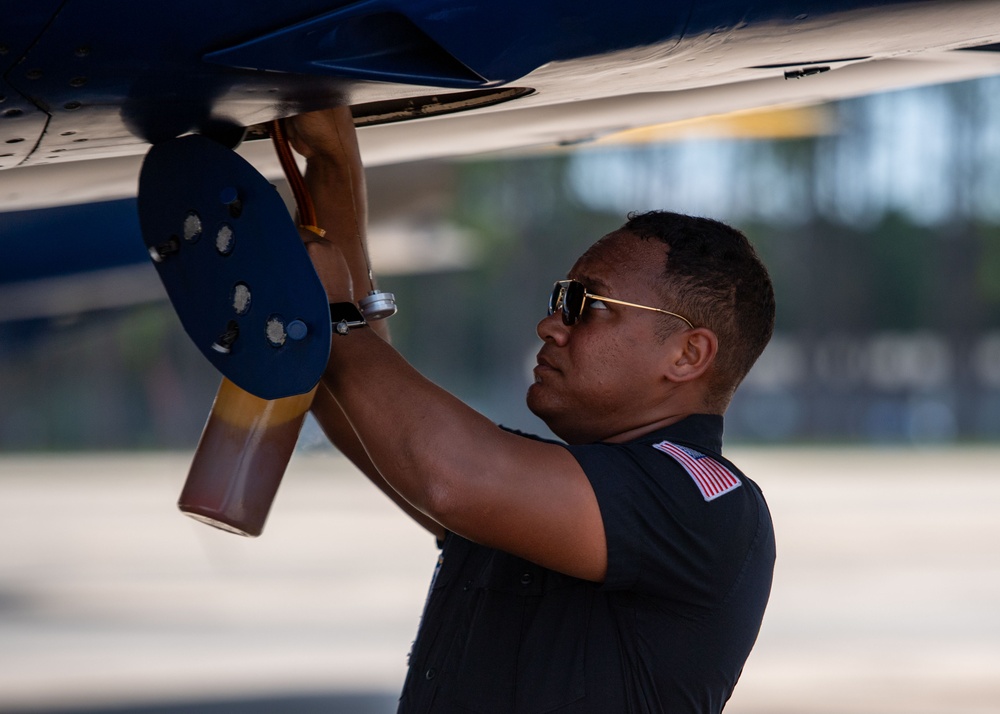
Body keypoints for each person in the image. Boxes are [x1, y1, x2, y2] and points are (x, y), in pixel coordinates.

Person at [285, 107, 777, 714]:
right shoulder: (554, 488)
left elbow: (450, 475)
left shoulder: (704, 502)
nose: (550, 325)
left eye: (585, 305)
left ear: (686, 355)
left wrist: (334, 315)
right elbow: (358, 411)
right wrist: (334, 168)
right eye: (558, 300)